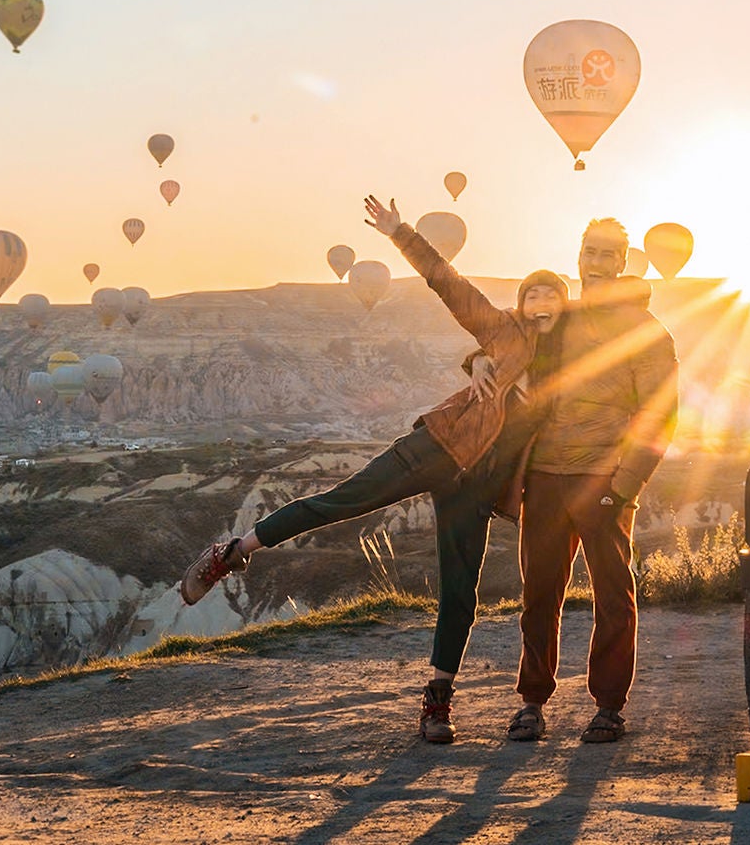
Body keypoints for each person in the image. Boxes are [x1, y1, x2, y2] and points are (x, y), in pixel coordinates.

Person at [180, 194, 566, 744]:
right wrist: (400, 233)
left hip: (478, 488)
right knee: (340, 502)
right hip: (434, 448)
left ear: (565, 305)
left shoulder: (573, 367)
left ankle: (437, 703)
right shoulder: (503, 333)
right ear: (522, 303)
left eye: (552, 292)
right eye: (532, 292)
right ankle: (232, 552)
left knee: (462, 593)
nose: (540, 299)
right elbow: (449, 284)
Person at [476, 217, 677, 744]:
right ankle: (532, 701)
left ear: (624, 259)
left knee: (613, 595)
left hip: (603, 478)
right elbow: (509, 342)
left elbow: (660, 412)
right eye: (590, 251)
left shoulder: (644, 328)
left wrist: (624, 484)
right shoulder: (559, 318)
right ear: (580, 254)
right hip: (544, 476)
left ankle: (609, 706)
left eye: (609, 253)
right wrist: (476, 359)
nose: (597, 261)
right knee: (539, 594)